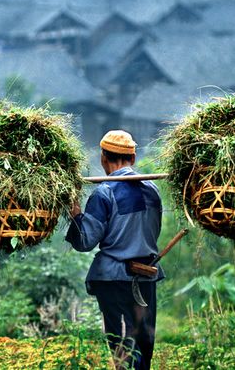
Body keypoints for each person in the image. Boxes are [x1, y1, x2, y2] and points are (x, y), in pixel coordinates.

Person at [66, 130, 163, 370]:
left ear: (103, 158)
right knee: (144, 343)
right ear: (133, 158)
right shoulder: (153, 190)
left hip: (114, 279)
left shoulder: (104, 193)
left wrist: (76, 213)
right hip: (145, 276)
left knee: (122, 344)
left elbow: (85, 241)